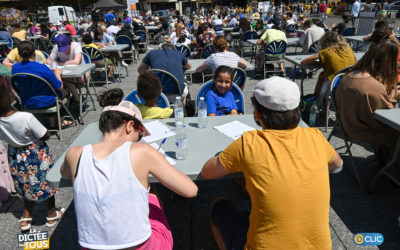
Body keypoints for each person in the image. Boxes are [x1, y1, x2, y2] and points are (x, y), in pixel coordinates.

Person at [201, 76, 342, 249]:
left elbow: (208, 172)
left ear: (257, 113)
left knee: (218, 204)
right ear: (298, 110)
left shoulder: (249, 142)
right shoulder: (315, 137)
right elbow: (337, 163)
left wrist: (226, 155)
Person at [61, 88, 198, 249]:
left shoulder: (75, 153)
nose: (139, 139)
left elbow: (65, 173)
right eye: (140, 134)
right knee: (149, 189)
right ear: (130, 126)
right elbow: (191, 190)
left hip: (89, 247)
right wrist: (155, 159)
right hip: (141, 246)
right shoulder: (142, 152)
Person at [0, 78, 65, 231]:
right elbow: (45, 135)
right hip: (35, 154)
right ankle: (51, 214)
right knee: (45, 183)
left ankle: (26, 216)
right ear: (10, 95)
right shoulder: (25, 117)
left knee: (25, 185)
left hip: (15, 154)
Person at [336, 39, 399, 168]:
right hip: (362, 130)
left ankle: (384, 158)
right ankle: (391, 171)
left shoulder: (348, 75)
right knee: (397, 136)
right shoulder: (374, 86)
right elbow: (387, 115)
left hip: (346, 124)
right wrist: (393, 95)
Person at [300, 31, 356, 99]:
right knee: (322, 74)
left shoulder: (327, 51)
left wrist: (317, 62)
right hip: (350, 78)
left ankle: (317, 99)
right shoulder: (348, 49)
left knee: (323, 76)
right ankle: (318, 99)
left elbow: (303, 62)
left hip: (335, 82)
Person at [47, 34, 82, 103]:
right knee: (57, 77)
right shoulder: (57, 47)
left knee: (61, 79)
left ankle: (76, 99)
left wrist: (61, 64)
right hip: (64, 73)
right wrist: (54, 63)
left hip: (80, 74)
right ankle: (73, 99)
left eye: (65, 48)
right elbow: (48, 60)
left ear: (69, 43)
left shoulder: (76, 46)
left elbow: (76, 62)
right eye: (61, 49)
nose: (63, 51)